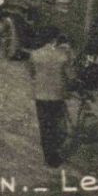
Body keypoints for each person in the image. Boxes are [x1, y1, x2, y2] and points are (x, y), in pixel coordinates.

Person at [26, 30, 76, 168]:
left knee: (45, 126)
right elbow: (71, 76)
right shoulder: (63, 56)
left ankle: (48, 157)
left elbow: (32, 73)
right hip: (57, 96)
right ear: (54, 41)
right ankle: (57, 153)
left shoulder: (34, 55)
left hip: (40, 96)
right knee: (57, 125)